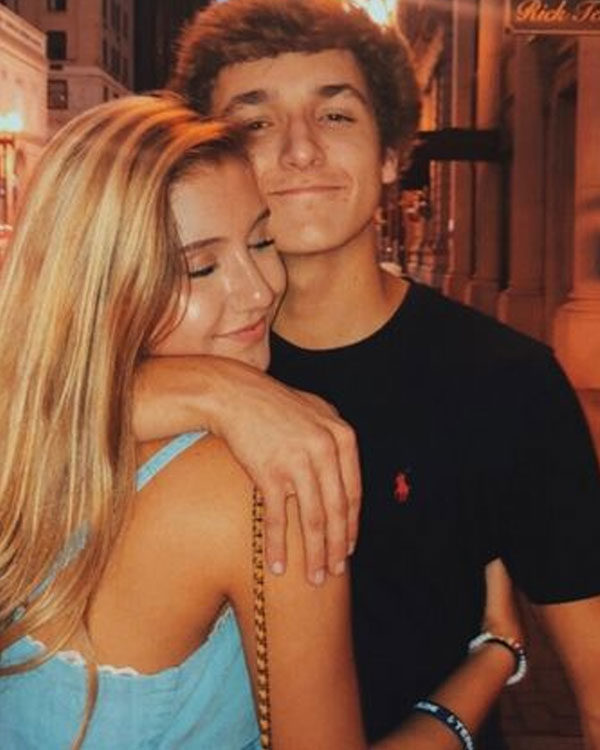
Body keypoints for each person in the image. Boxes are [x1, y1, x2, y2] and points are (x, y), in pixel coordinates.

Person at [137, 0, 600, 747]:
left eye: (336, 115)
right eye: (255, 123)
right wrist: (211, 390)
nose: (299, 150)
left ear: (391, 153)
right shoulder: (176, 349)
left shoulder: (507, 383)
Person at [0, 94, 370, 749]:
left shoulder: (27, 445)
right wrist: (479, 677)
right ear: (101, 288)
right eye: (200, 267)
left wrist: (216, 389)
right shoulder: (263, 481)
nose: (259, 289)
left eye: (262, 241)